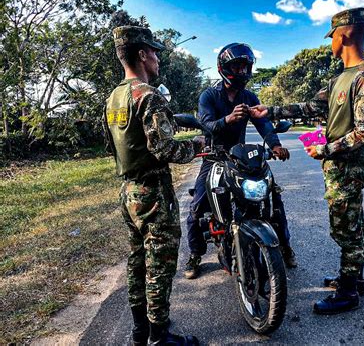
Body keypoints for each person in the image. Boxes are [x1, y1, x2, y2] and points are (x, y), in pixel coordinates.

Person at [250, 8, 364, 314]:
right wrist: (268, 111)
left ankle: (348, 292)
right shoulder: (340, 78)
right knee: (352, 223)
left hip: (348, 166)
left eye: (332, 36)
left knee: (345, 227)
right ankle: (352, 277)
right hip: (338, 166)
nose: (330, 43)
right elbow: (310, 108)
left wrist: (324, 150)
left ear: (345, 34)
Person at [104, 26, 204, 345]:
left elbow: (111, 145)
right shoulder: (148, 95)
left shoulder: (114, 97)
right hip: (153, 195)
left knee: (137, 260)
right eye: (155, 52)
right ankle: (159, 336)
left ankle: (139, 330)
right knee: (158, 263)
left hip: (128, 192)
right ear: (143, 54)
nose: (158, 58)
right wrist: (196, 147)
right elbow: (164, 149)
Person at [184, 42, 297, 280]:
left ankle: (284, 247)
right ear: (224, 68)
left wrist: (275, 145)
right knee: (196, 207)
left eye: (246, 67)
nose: (242, 72)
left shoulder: (249, 96)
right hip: (214, 157)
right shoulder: (209, 95)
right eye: (237, 66)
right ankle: (195, 254)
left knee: (273, 198)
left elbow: (263, 123)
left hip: (241, 157)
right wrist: (228, 118)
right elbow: (206, 124)